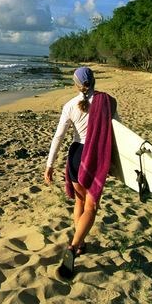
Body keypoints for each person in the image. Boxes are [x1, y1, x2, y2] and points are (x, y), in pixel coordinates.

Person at [44, 66, 118, 279]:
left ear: (76, 84)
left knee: (79, 202)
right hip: (95, 155)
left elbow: (58, 137)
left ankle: (80, 243)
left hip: (76, 155)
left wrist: (50, 165)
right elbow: (117, 132)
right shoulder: (108, 102)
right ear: (94, 81)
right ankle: (74, 245)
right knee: (91, 206)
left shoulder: (69, 105)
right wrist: (113, 162)